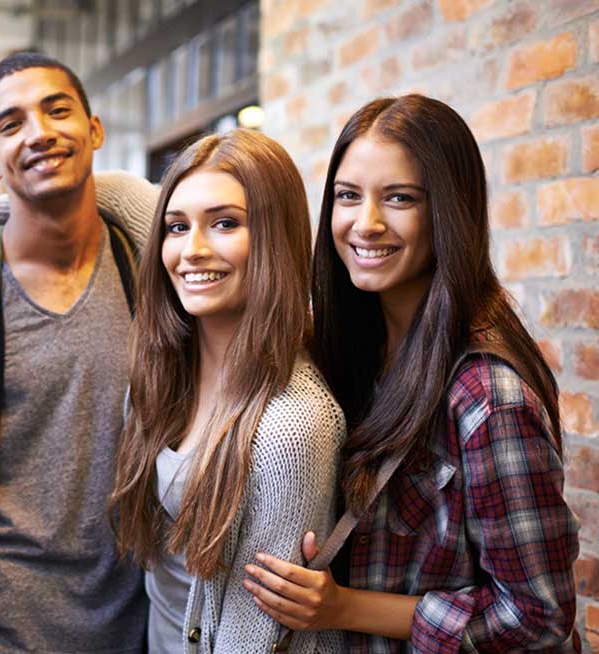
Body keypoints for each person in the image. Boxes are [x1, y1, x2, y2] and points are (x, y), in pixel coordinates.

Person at [242, 95, 581, 652]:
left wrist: (346, 608)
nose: (366, 223)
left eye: (399, 198)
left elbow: (538, 614)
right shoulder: (342, 348)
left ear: (450, 210)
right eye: (348, 196)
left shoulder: (489, 397)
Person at [0, 52, 159, 654]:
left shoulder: (150, 273)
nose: (40, 133)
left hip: (138, 631)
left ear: (94, 130)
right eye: (12, 122)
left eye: (57, 110)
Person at [109, 129, 346, 653]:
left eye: (224, 223)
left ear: (275, 235)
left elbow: (255, 636)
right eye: (176, 226)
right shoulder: (158, 378)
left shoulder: (292, 426)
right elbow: (99, 191)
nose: (192, 250)